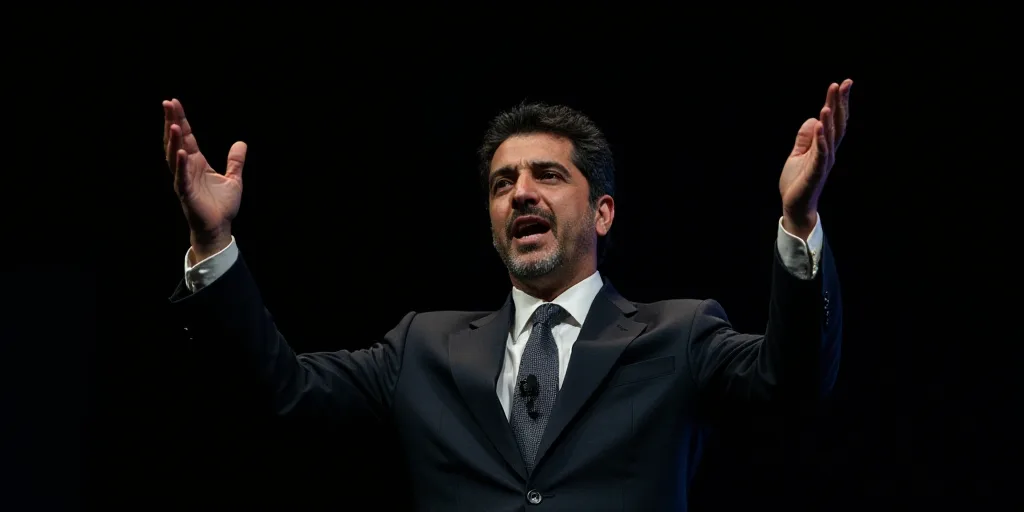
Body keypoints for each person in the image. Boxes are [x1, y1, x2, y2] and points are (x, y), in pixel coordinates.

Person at [163, 78, 852, 511]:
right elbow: (280, 395)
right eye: (502, 183)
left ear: (603, 213)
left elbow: (790, 385)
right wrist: (213, 244)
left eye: (547, 175)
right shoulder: (422, 349)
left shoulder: (680, 336)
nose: (520, 191)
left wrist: (798, 224)